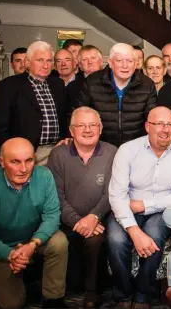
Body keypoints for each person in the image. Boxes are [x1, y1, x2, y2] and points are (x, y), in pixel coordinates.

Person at [107, 107, 171, 309]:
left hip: (162, 210)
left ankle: (144, 295)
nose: (165, 130)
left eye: (170, 125)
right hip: (127, 207)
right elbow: (117, 195)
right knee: (116, 240)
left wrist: (145, 205)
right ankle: (123, 294)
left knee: (153, 236)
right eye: (159, 124)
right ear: (147, 126)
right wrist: (134, 231)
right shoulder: (127, 150)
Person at [0, 137, 68, 308]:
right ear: (2, 162)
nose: (24, 169)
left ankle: (53, 299)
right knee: (13, 304)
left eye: (28, 161)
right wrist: (10, 254)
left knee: (59, 241)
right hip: (4, 247)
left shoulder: (44, 176)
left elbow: (52, 216)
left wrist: (32, 245)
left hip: (35, 240)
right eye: (15, 162)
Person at [46, 107, 117, 308]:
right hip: (67, 221)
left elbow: (112, 192)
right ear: (71, 130)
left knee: (96, 241)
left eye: (93, 125)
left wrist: (94, 216)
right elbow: (56, 196)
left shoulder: (112, 152)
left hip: (99, 220)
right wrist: (78, 221)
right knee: (73, 281)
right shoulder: (58, 154)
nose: (88, 130)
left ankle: (93, 293)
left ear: (101, 128)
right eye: (81, 125)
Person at [0, 41, 68, 165]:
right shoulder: (9, 86)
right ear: (28, 62)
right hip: (24, 154)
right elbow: (0, 126)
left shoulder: (58, 84)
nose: (45, 65)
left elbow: (65, 116)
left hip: (56, 151)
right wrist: (6, 154)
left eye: (49, 61)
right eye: (40, 60)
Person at [76, 43, 157, 147]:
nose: (125, 66)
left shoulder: (147, 84)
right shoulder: (92, 82)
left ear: (136, 63)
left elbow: (152, 118)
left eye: (130, 61)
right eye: (119, 61)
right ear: (110, 63)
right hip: (100, 146)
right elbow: (79, 114)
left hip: (136, 146)